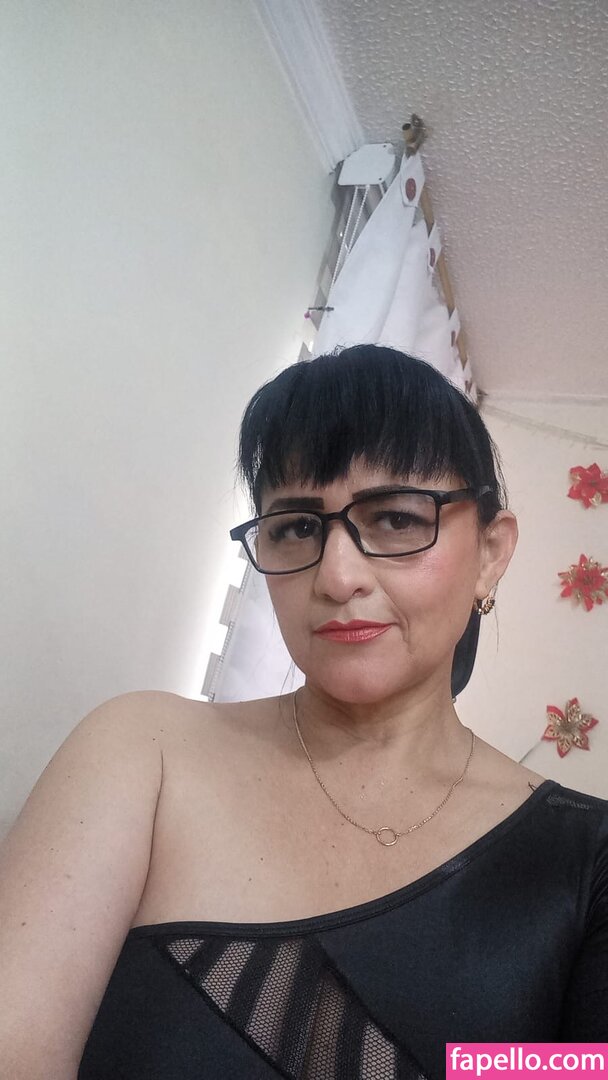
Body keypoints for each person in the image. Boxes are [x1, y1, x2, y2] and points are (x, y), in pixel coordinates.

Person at [1, 345, 607, 1080]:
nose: (337, 577)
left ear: (490, 552)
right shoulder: (144, 754)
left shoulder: (586, 860)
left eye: (394, 517)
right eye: (295, 527)